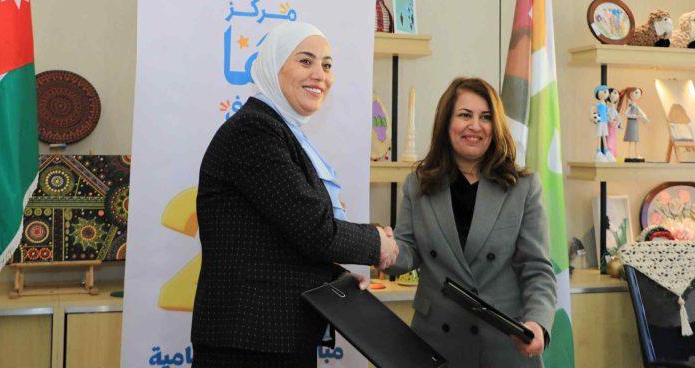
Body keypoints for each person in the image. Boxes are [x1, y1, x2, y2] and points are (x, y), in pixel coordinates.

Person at [191, 22, 398, 368]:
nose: (320, 75)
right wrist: (377, 243)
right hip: (249, 345)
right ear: (274, 66)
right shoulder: (254, 131)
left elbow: (279, 241)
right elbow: (314, 230)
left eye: (327, 65)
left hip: (273, 340)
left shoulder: (279, 131)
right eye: (305, 61)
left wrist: (335, 276)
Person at [386, 77, 556, 368]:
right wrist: (382, 249)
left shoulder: (522, 186)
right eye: (465, 115)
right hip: (435, 342)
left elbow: (537, 268)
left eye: (486, 117)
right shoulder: (418, 183)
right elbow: (408, 251)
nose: (475, 126)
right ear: (446, 122)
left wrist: (537, 322)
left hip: (504, 344)